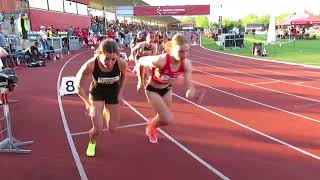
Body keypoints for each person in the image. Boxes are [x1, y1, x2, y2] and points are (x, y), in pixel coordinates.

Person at [135, 33, 198, 143]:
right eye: (181, 51)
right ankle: (150, 128)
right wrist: (140, 81)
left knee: (163, 119)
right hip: (152, 89)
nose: (184, 55)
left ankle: (151, 126)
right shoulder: (161, 60)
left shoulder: (187, 64)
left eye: (187, 51)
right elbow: (141, 61)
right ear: (172, 49)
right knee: (167, 118)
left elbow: (188, 83)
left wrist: (190, 89)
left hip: (167, 89)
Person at [75, 39, 128, 157]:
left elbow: (124, 77)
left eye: (113, 59)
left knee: (113, 128)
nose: (110, 63)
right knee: (98, 128)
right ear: (99, 54)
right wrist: (87, 104)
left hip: (113, 93)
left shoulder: (122, 63)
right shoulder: (90, 65)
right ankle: (92, 142)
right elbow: (78, 86)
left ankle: (104, 110)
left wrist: (120, 94)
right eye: (107, 59)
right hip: (97, 93)